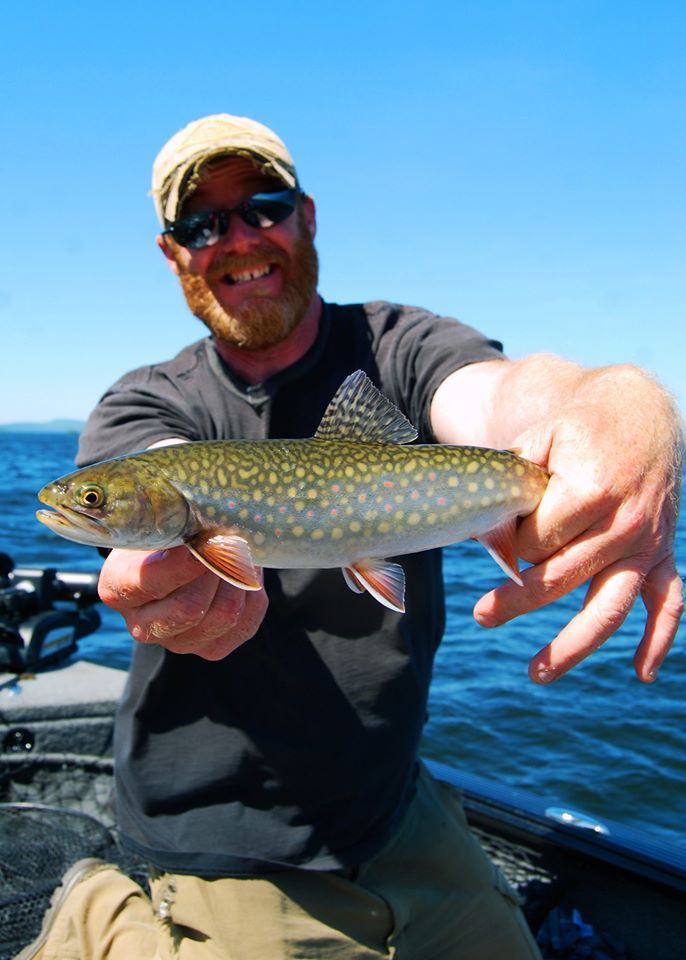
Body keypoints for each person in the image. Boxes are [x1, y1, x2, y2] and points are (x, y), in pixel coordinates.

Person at [19, 113, 683, 960]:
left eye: (263, 207)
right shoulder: (146, 404)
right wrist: (146, 564)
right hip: (226, 831)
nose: (238, 238)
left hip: (399, 807)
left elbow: (506, 393)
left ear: (306, 215)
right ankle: (102, 912)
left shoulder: (400, 346)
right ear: (173, 251)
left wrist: (616, 401)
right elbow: (152, 462)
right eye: (202, 224)